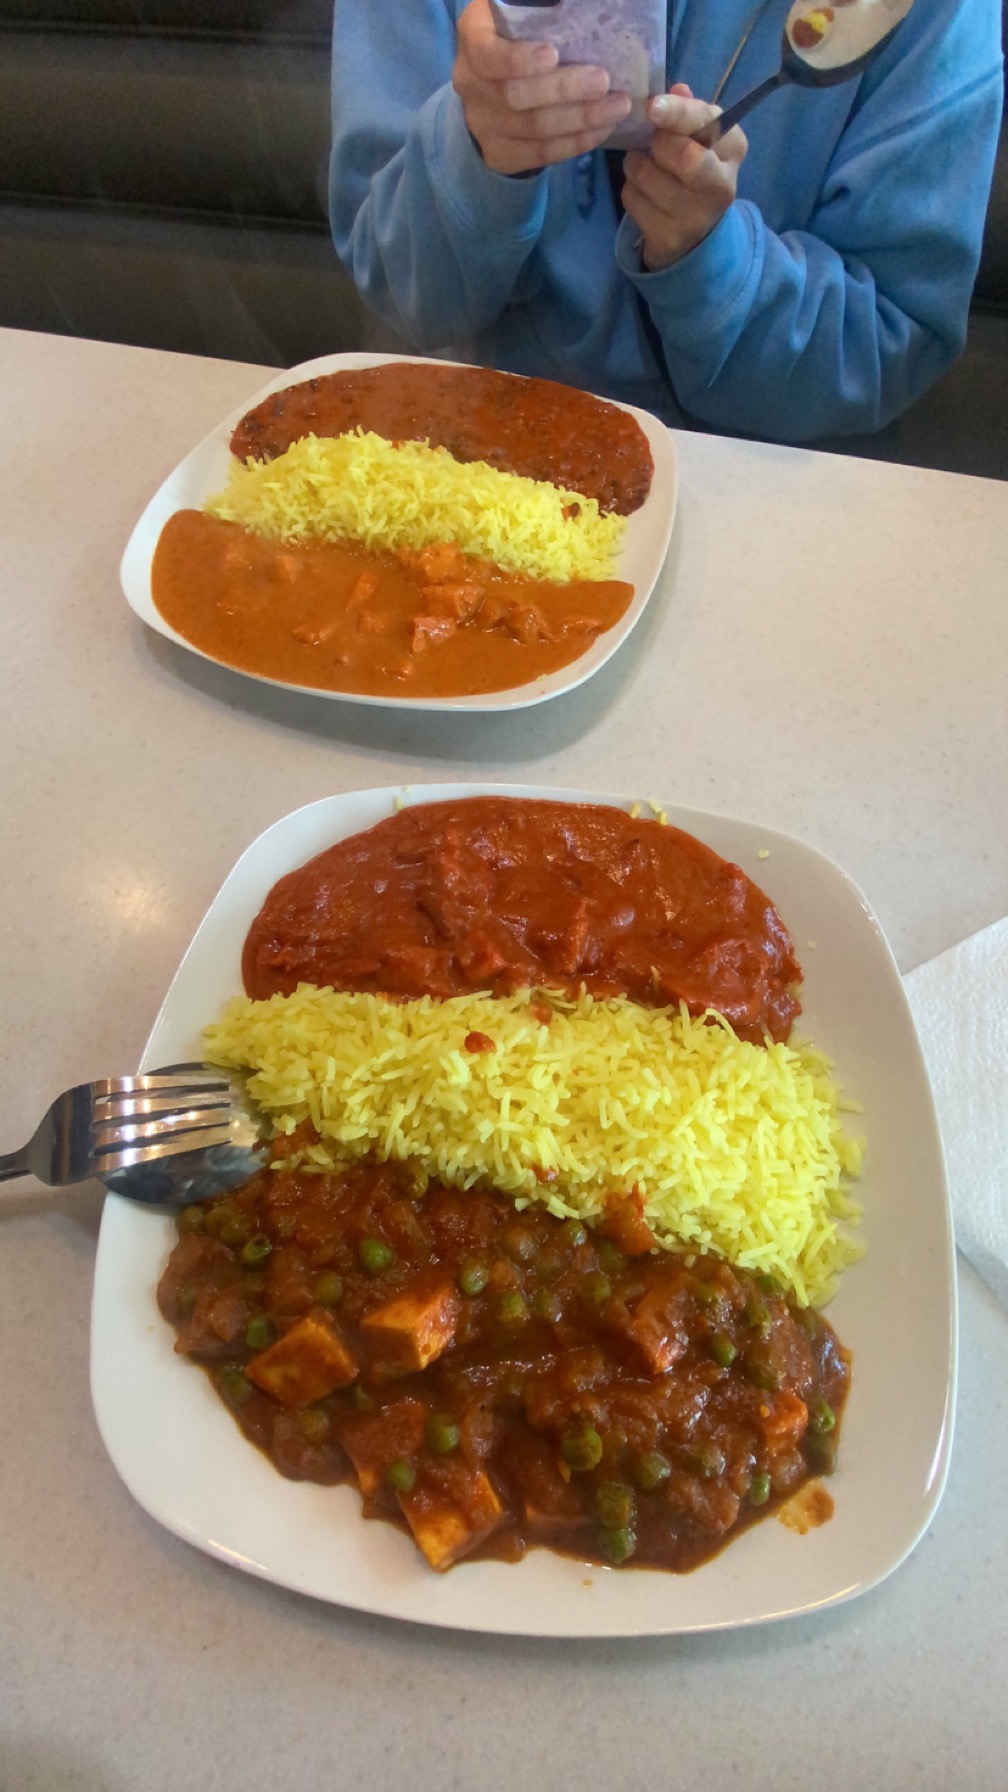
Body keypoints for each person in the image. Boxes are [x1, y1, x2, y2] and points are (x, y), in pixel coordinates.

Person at [329, 0, 1003, 442]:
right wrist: (475, 152)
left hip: (782, 494)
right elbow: (397, 285)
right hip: (495, 466)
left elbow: (889, 343)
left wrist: (717, 267)